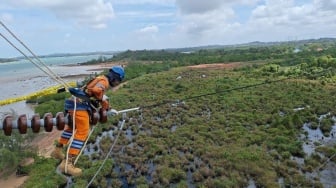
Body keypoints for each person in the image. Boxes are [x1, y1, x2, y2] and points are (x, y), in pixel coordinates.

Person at [51, 66, 125, 176]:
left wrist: (107, 108)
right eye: (118, 81)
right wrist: (101, 98)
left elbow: (95, 93)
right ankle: (67, 164)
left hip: (72, 103)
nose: (117, 83)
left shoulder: (100, 78)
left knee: (72, 128)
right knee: (83, 132)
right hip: (80, 106)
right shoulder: (104, 82)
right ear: (115, 78)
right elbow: (96, 90)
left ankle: (57, 151)